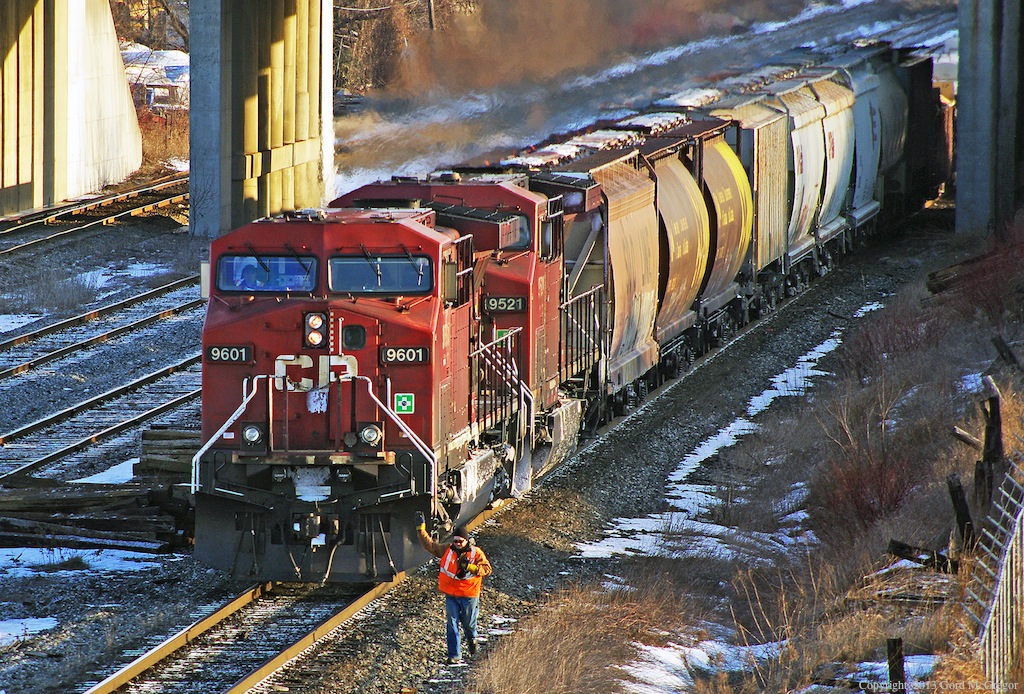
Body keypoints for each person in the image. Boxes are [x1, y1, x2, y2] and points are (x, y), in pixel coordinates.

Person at [416, 512, 492, 664]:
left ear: (466, 540)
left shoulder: (476, 553)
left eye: (460, 541)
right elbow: (430, 546)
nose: (457, 543)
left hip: (469, 596)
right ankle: (454, 656)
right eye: (455, 540)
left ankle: (472, 639)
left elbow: (487, 569)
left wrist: (471, 567)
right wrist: (420, 529)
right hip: (451, 595)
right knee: (452, 624)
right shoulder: (447, 549)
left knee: (469, 624)